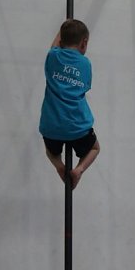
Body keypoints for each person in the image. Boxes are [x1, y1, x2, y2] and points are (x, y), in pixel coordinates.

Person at [39, 18, 100, 189]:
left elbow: (54, 46)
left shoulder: (53, 57)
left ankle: (59, 165)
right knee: (94, 149)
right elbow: (86, 86)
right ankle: (79, 169)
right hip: (77, 127)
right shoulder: (85, 64)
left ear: (61, 40)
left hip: (52, 126)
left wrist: (63, 27)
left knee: (50, 151)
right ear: (84, 43)